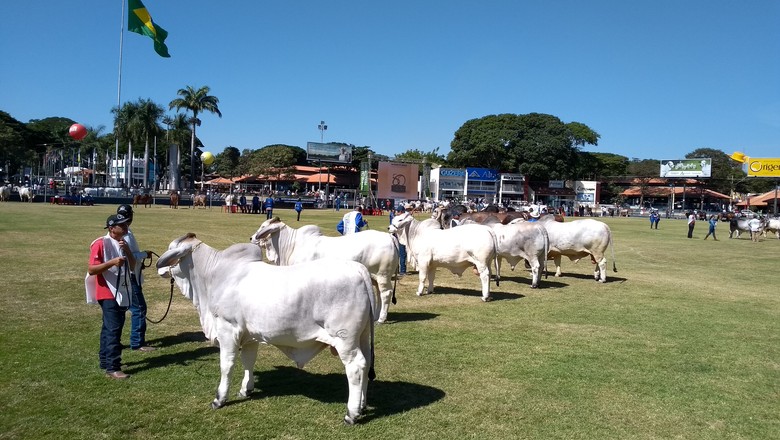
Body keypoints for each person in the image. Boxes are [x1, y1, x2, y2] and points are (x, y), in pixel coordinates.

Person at [87, 214, 135, 379]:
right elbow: (92, 269)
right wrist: (112, 262)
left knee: (110, 327)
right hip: (107, 291)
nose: (126, 227)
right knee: (114, 328)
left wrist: (127, 250)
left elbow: (133, 265)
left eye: (125, 224)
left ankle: (105, 361)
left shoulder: (123, 243)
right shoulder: (100, 243)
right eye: (121, 225)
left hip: (120, 290)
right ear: (111, 228)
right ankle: (113, 367)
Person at [116, 204, 155, 352]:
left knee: (120, 308)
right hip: (130, 275)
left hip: (128, 274)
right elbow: (128, 256)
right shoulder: (125, 234)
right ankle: (137, 342)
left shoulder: (121, 230)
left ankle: (116, 340)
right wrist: (144, 254)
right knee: (139, 308)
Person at [390, 205, 407, 276]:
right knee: (395, 254)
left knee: (402, 254)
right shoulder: (396, 218)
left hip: (402, 238)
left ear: (401, 212)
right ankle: (395, 269)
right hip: (395, 237)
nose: (396, 212)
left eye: (398, 211)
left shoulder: (406, 218)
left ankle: (402, 270)